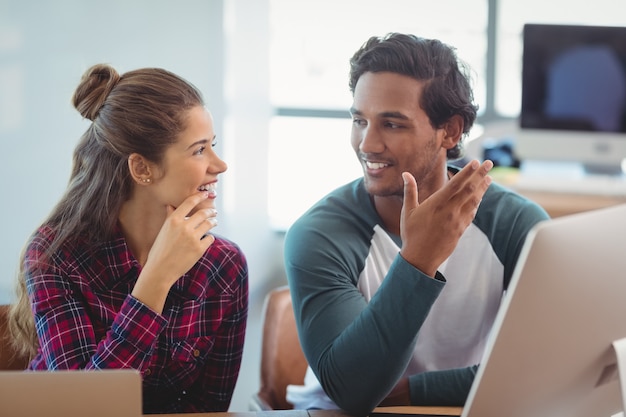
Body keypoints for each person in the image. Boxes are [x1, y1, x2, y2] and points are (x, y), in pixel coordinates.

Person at [284, 33, 549, 416]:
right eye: (360, 120)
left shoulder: (514, 225)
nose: (367, 144)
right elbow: (353, 391)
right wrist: (418, 260)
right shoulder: (320, 234)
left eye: (392, 124)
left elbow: (546, 367)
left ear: (451, 131)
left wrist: (412, 390)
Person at [8, 64, 248, 414]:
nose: (220, 164)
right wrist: (156, 280)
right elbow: (81, 409)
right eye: (199, 150)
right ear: (142, 169)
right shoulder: (55, 257)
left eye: (213, 145)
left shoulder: (224, 266)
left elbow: (207, 408)